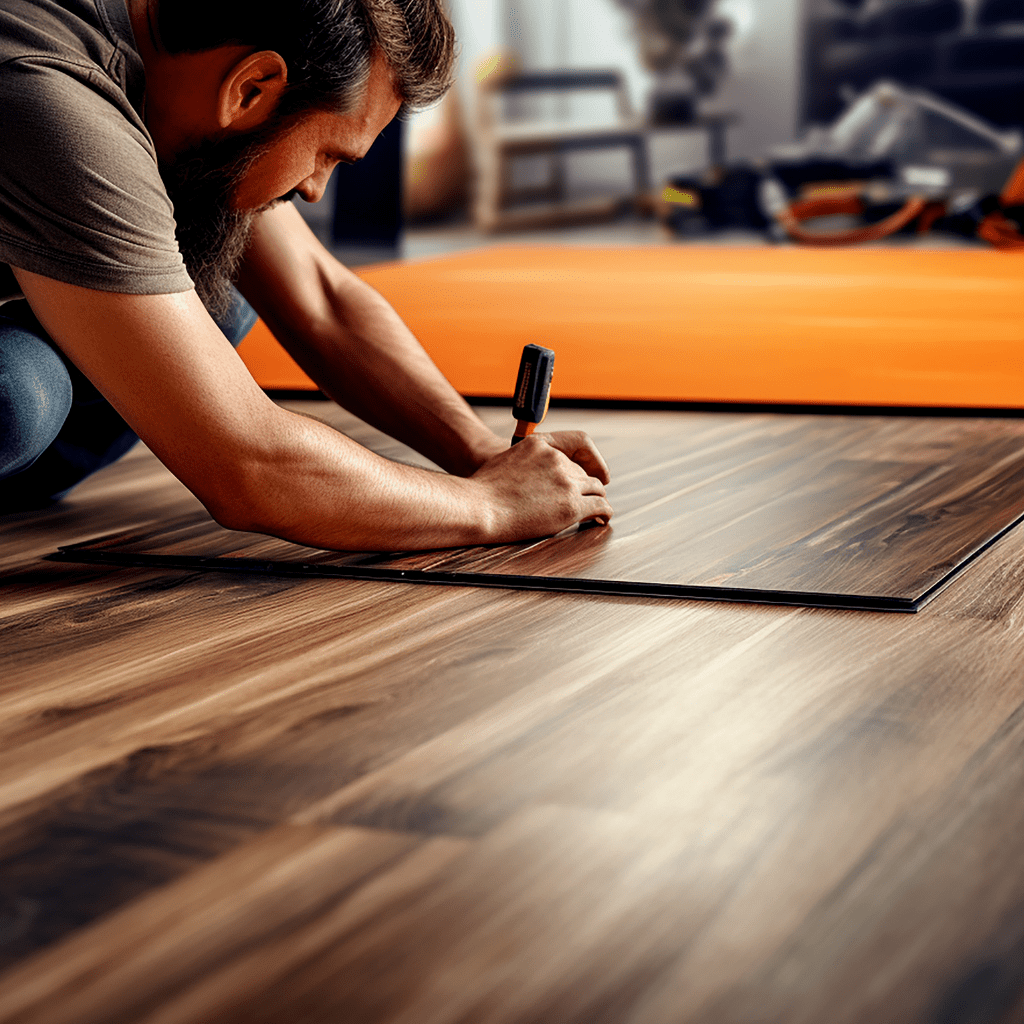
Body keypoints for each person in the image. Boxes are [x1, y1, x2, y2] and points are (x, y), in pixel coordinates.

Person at [0, 0, 613, 550]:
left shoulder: (177, 72)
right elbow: (248, 465)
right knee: (17, 395)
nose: (317, 189)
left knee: (222, 272)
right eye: (328, 154)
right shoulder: (54, 101)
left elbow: (323, 300)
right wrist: (493, 506)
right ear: (251, 88)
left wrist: (478, 452)